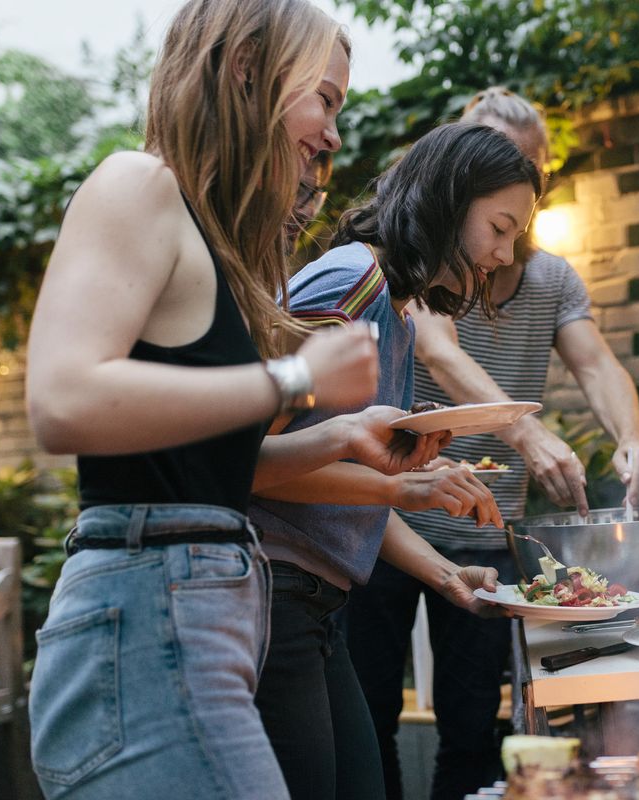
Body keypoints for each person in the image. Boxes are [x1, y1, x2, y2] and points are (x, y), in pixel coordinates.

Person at [21, 1, 456, 796]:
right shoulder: (138, 183)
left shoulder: (210, 243)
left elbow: (198, 469)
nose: (332, 135)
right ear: (248, 67)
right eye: (324, 99)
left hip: (199, 618)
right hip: (147, 617)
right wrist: (295, 379)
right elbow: (61, 397)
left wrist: (343, 434)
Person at [345, 87, 639, 800]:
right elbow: (442, 349)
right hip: (382, 519)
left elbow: (598, 364)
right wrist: (525, 429)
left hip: (483, 533)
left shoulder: (549, 277)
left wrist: (633, 438)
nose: (514, 183)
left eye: (528, 168)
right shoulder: (420, 271)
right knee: (368, 718)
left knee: (471, 725)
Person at [248, 120, 543, 800]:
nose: (503, 253)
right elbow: (250, 464)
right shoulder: (351, 284)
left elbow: (337, 486)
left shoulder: (396, 307)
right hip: (273, 597)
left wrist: (445, 575)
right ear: (448, 198)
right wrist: (406, 489)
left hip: (314, 607)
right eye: (498, 227)